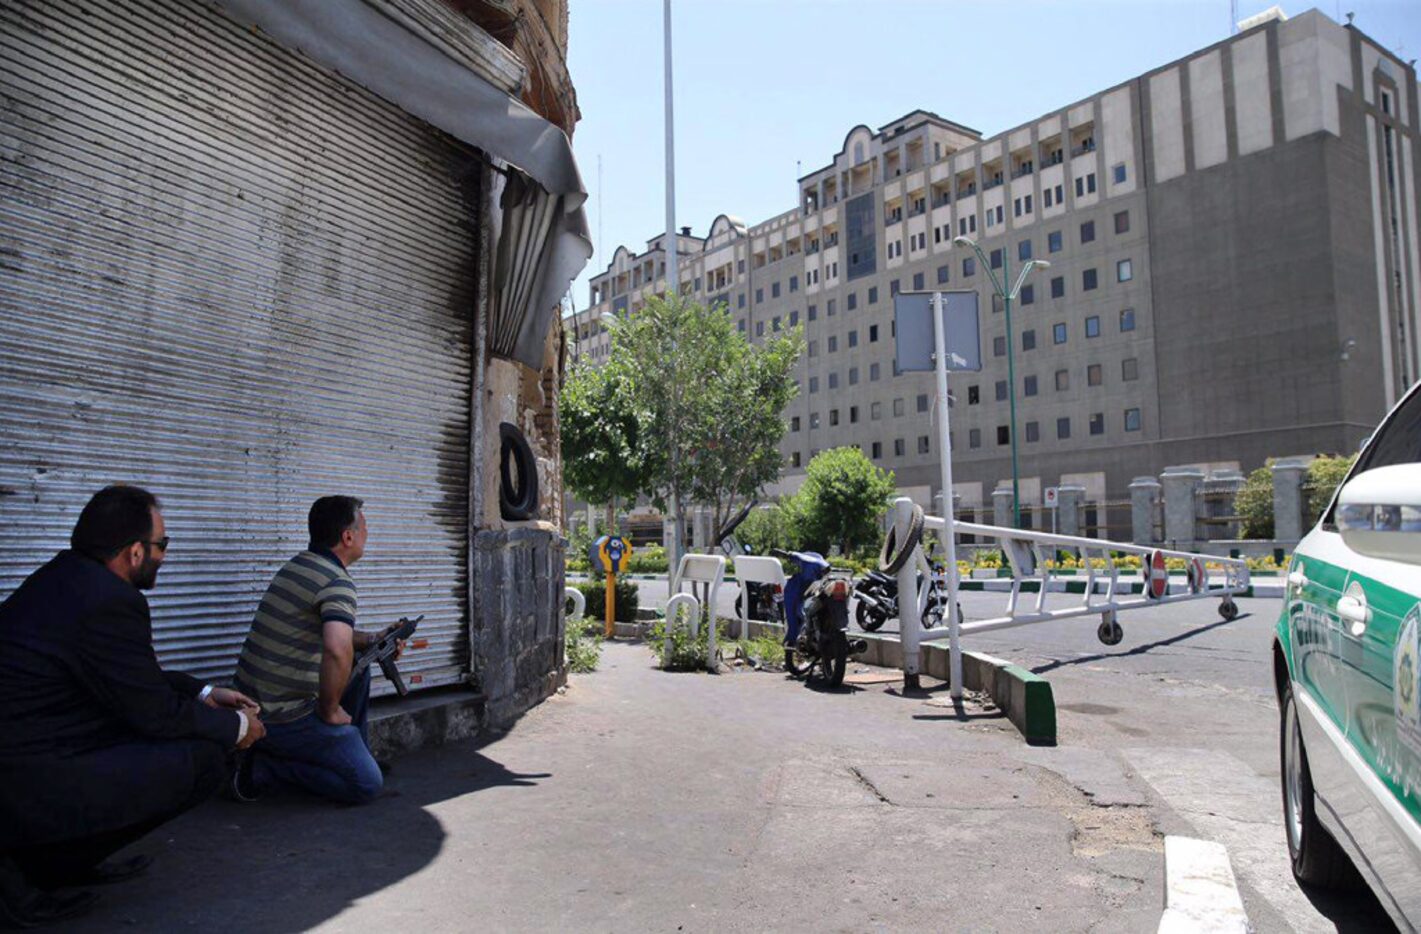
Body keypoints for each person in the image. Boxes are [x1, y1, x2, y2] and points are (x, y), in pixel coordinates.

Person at [0, 485, 266, 927]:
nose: (165, 554)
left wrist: (203, 692)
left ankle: (60, 863)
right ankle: (37, 874)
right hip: (24, 774)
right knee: (203, 759)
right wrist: (237, 729)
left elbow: (125, 681)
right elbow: (154, 713)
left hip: (33, 749)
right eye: (162, 545)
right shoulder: (109, 600)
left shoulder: (64, 577)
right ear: (134, 552)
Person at [231, 496, 402, 805]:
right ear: (348, 537)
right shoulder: (337, 582)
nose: (367, 534)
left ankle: (350, 753)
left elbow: (332, 637)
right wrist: (330, 710)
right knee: (366, 783)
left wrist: (376, 638)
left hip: (253, 702)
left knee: (360, 666)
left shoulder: (299, 566)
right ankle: (264, 768)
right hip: (281, 717)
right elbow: (336, 650)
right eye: (364, 528)